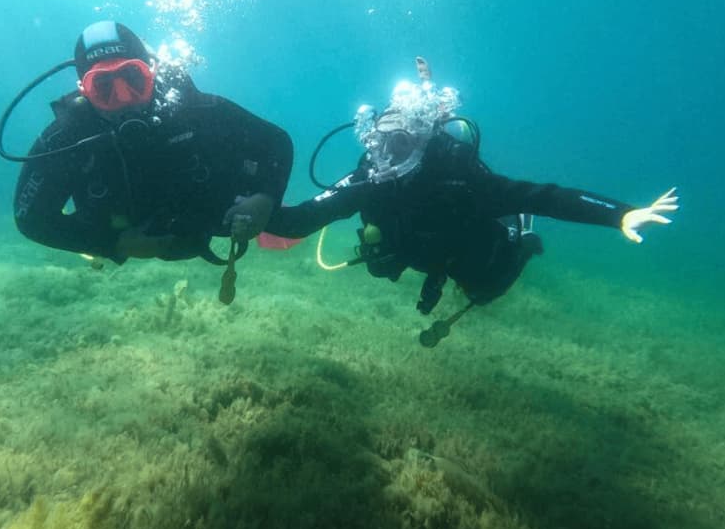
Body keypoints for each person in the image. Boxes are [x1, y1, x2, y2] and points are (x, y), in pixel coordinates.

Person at [264, 59, 679, 344]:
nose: (387, 156)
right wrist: (242, 210)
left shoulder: (459, 178)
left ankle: (522, 237)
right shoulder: (368, 177)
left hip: (467, 252)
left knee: (487, 288)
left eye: (401, 142)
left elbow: (546, 197)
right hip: (418, 252)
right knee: (380, 260)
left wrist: (619, 214)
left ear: (423, 142)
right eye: (380, 144)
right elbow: (303, 220)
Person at [2, 21, 292, 301]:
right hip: (120, 229)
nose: (124, 97)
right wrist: (110, 243)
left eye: (133, 78)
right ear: (83, 91)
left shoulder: (193, 109)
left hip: (212, 220)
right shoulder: (67, 139)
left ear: (152, 72)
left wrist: (265, 198)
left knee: (297, 224)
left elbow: (276, 142)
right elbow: (30, 219)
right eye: (103, 87)